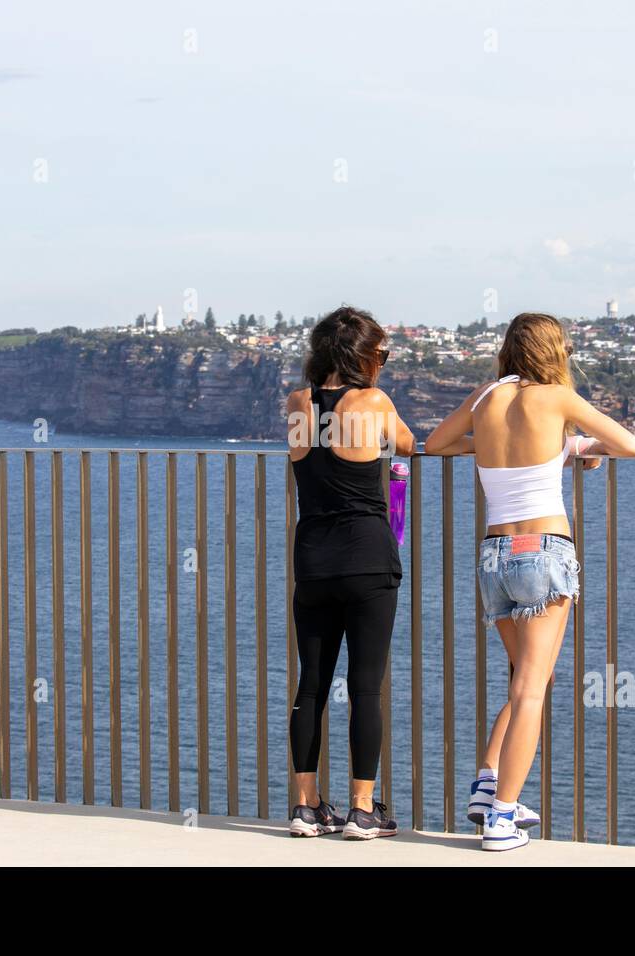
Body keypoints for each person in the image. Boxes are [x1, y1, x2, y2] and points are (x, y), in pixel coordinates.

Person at [425, 312, 635, 850]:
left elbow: (434, 445)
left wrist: (529, 450)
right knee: (531, 689)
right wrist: (572, 447)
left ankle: (487, 784)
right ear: (554, 352)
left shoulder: (485, 398)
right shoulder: (557, 398)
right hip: (543, 553)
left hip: (494, 555)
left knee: (526, 677)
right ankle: (500, 819)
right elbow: (629, 445)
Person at [286, 305, 416, 839]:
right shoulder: (375, 401)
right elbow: (406, 443)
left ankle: (304, 805)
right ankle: (363, 808)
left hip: (313, 559)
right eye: (381, 354)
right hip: (366, 558)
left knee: (310, 686)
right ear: (365, 356)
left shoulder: (298, 402)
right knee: (364, 687)